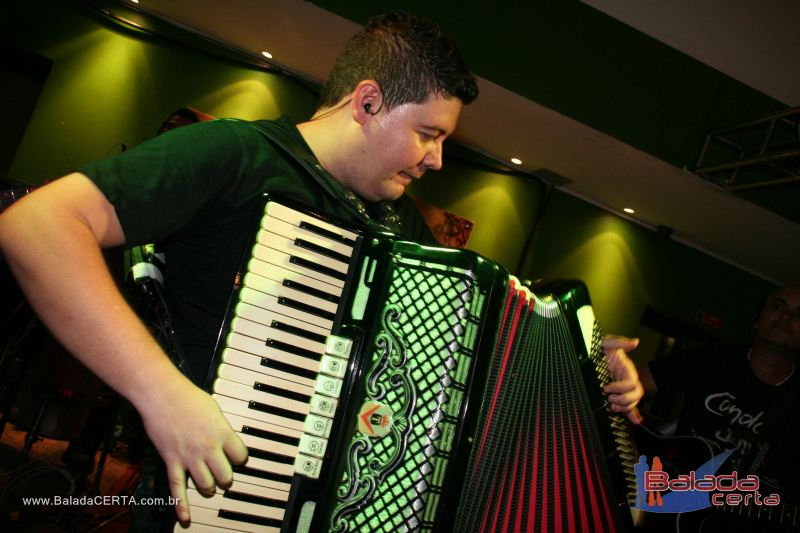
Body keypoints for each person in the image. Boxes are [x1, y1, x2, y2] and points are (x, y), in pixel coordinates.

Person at [0, 11, 644, 528]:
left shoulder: (400, 224)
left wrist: (587, 365)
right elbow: (37, 226)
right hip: (206, 502)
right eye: (428, 133)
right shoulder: (237, 155)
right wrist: (160, 391)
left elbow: (489, 340)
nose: (437, 160)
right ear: (368, 102)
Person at [638, 285, 800, 527]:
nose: (786, 316)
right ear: (756, 319)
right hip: (651, 499)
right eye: (778, 306)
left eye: (799, 313)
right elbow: (632, 385)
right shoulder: (713, 359)